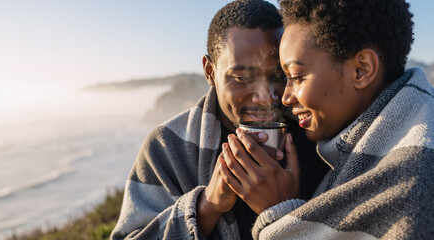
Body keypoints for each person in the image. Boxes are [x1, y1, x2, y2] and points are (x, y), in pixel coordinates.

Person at [110, 0, 328, 239]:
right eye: (243, 78)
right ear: (210, 71)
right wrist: (207, 206)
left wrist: (284, 212)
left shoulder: (317, 134)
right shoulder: (167, 146)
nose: (266, 98)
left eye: (278, 75)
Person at [220, 0, 434, 239]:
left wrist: (280, 215)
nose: (286, 98)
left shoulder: (412, 184)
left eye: (298, 77)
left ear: (361, 70)